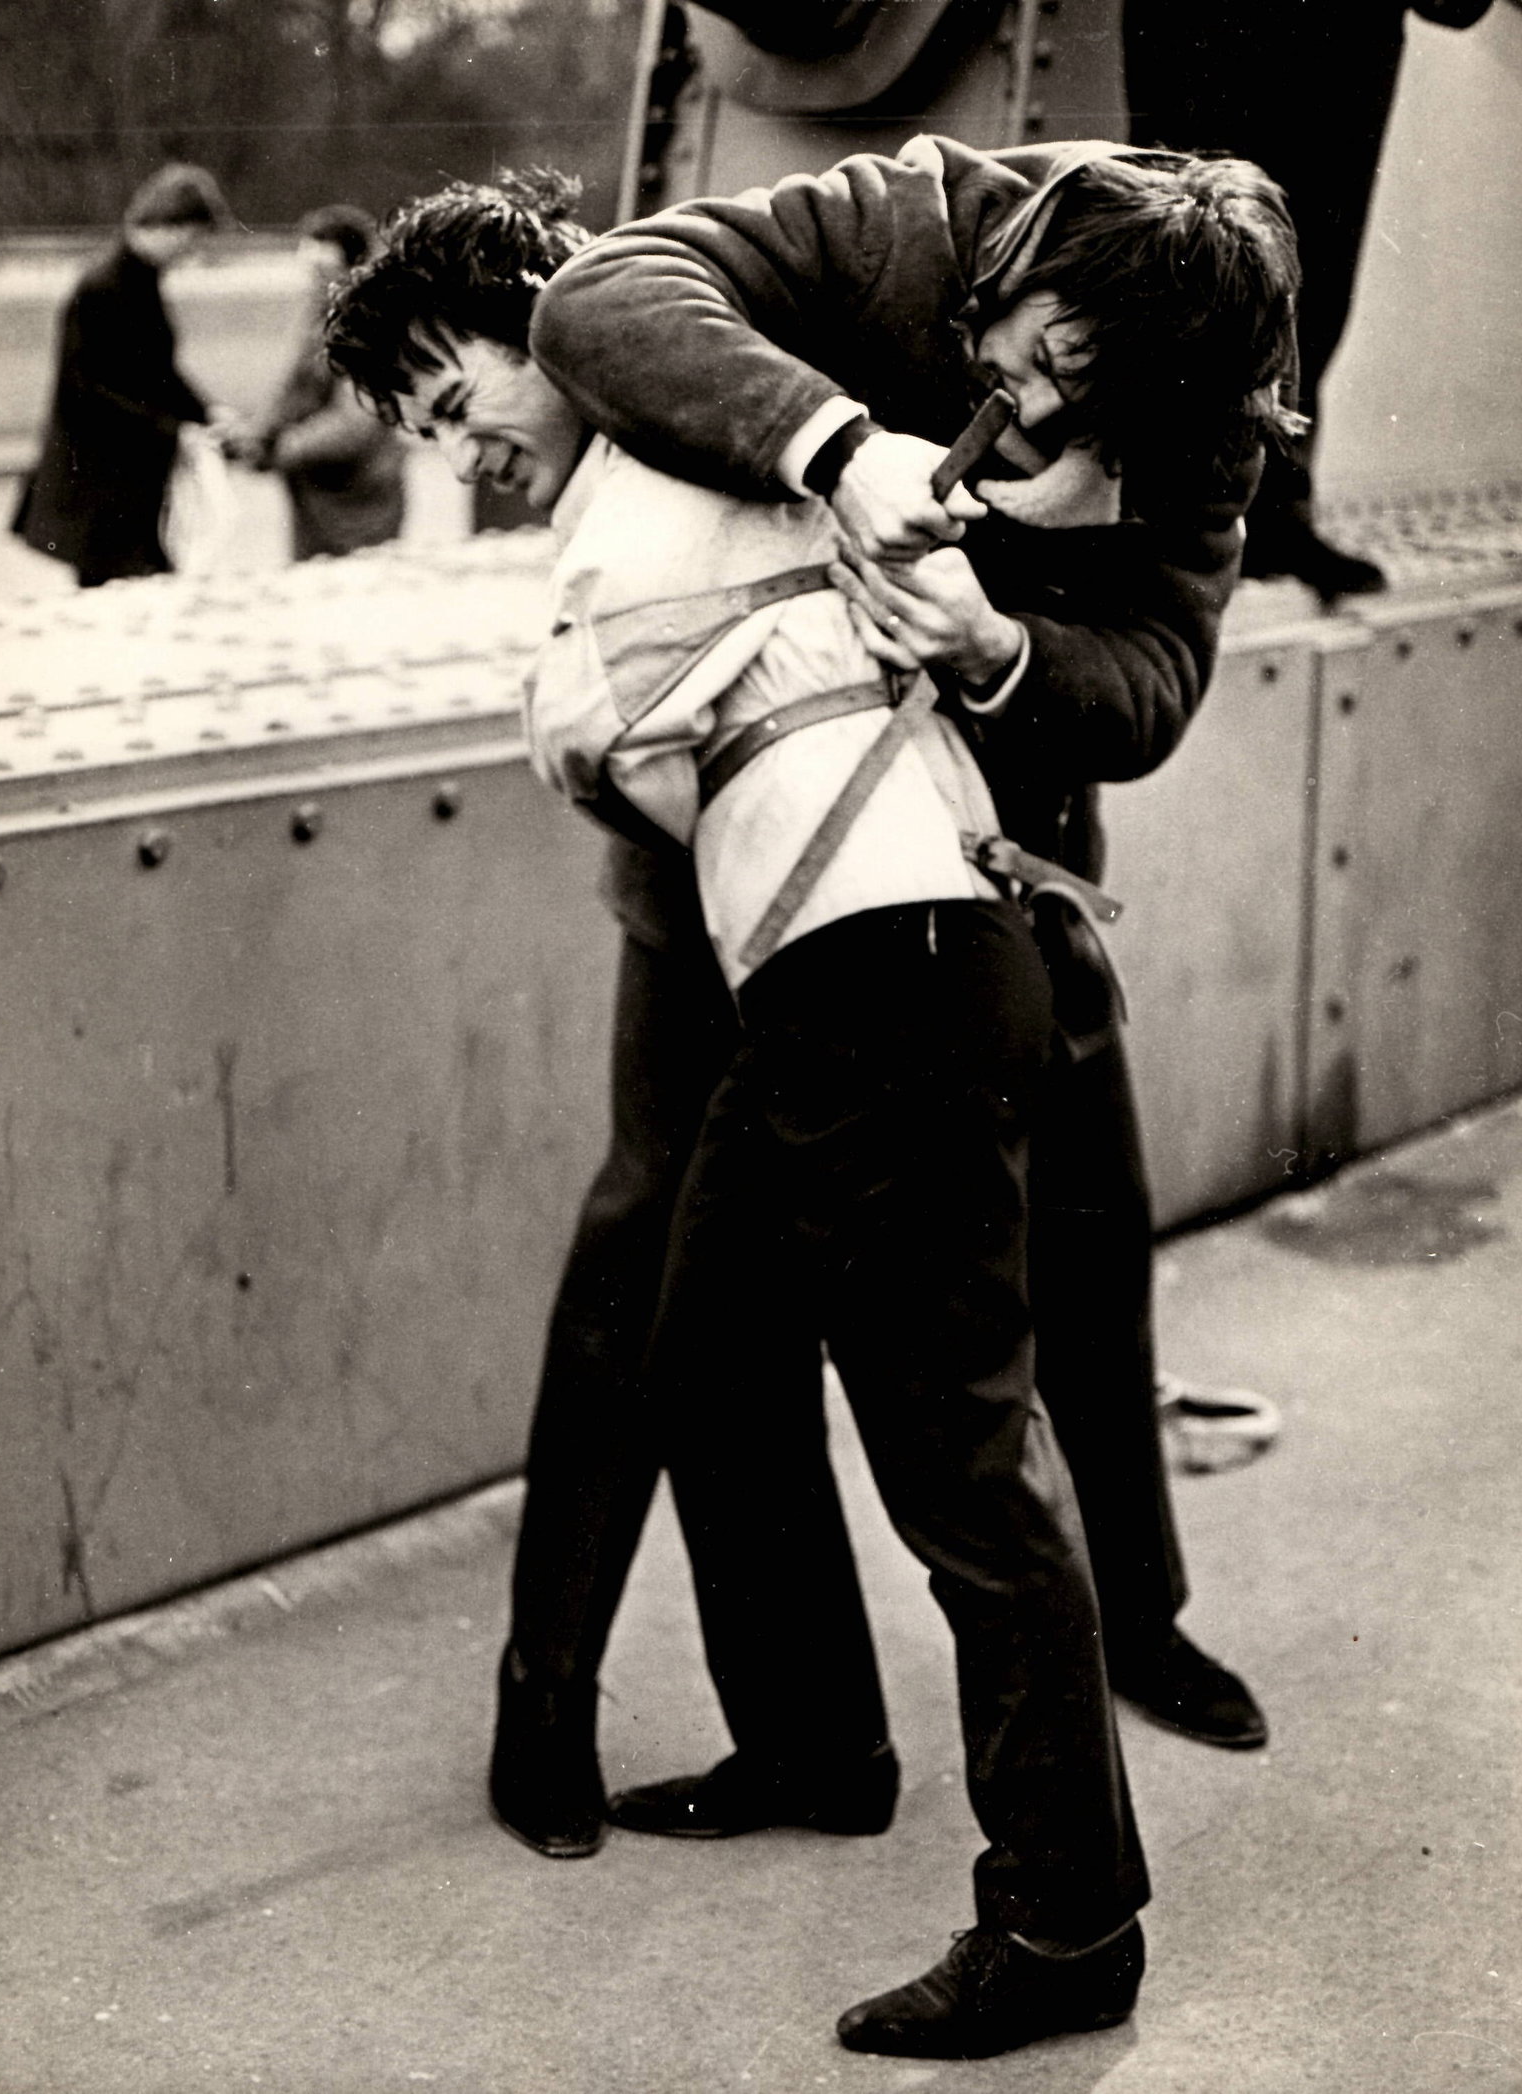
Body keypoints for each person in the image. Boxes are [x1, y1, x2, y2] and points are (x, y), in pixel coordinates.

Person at [329, 152, 1299, 2059]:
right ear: (1005, 263)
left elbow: (1152, 676)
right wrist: (851, 455)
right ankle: (818, 1741)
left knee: (965, 1448)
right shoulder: (905, 224)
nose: (1020, 393)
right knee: (706, 1335)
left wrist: (996, 648)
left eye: (1074, 391)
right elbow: (607, 296)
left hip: (916, 929)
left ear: (1166, 401)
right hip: (816, 938)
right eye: (1023, 347)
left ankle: (1068, 1919)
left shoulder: (1196, 425)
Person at [1124, 0, 1496, 599]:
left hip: (1345, 32)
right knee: (1192, 246)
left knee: (1312, 275)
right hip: (1213, 26)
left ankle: (1272, 512)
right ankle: (1175, 517)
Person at [12, 162, 232, 588]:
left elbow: (154, 371)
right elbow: (86, 389)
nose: (191, 254)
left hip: (119, 479)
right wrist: (174, 429)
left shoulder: (133, 278)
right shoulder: (105, 286)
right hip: (103, 485)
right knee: (125, 593)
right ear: (171, 227)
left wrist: (205, 411)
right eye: (192, 240)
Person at [234, 204, 407, 561]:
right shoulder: (318, 317)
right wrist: (257, 434)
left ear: (350, 268)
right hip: (315, 492)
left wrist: (280, 450)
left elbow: (355, 423)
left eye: (322, 271)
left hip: (360, 498)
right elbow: (294, 388)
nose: (313, 282)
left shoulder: (370, 325)